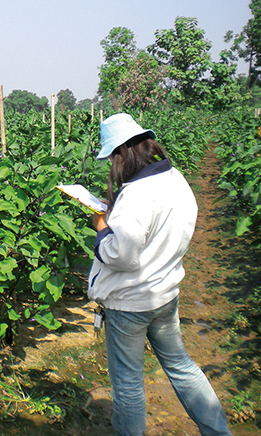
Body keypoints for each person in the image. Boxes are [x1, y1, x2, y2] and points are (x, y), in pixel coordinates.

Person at [88, 113, 232, 436]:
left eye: (112, 157)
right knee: (182, 367)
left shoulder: (136, 194)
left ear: (122, 153)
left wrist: (101, 228)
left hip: (130, 304)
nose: (112, 164)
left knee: (128, 383)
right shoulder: (175, 179)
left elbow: (120, 254)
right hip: (165, 295)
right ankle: (219, 432)